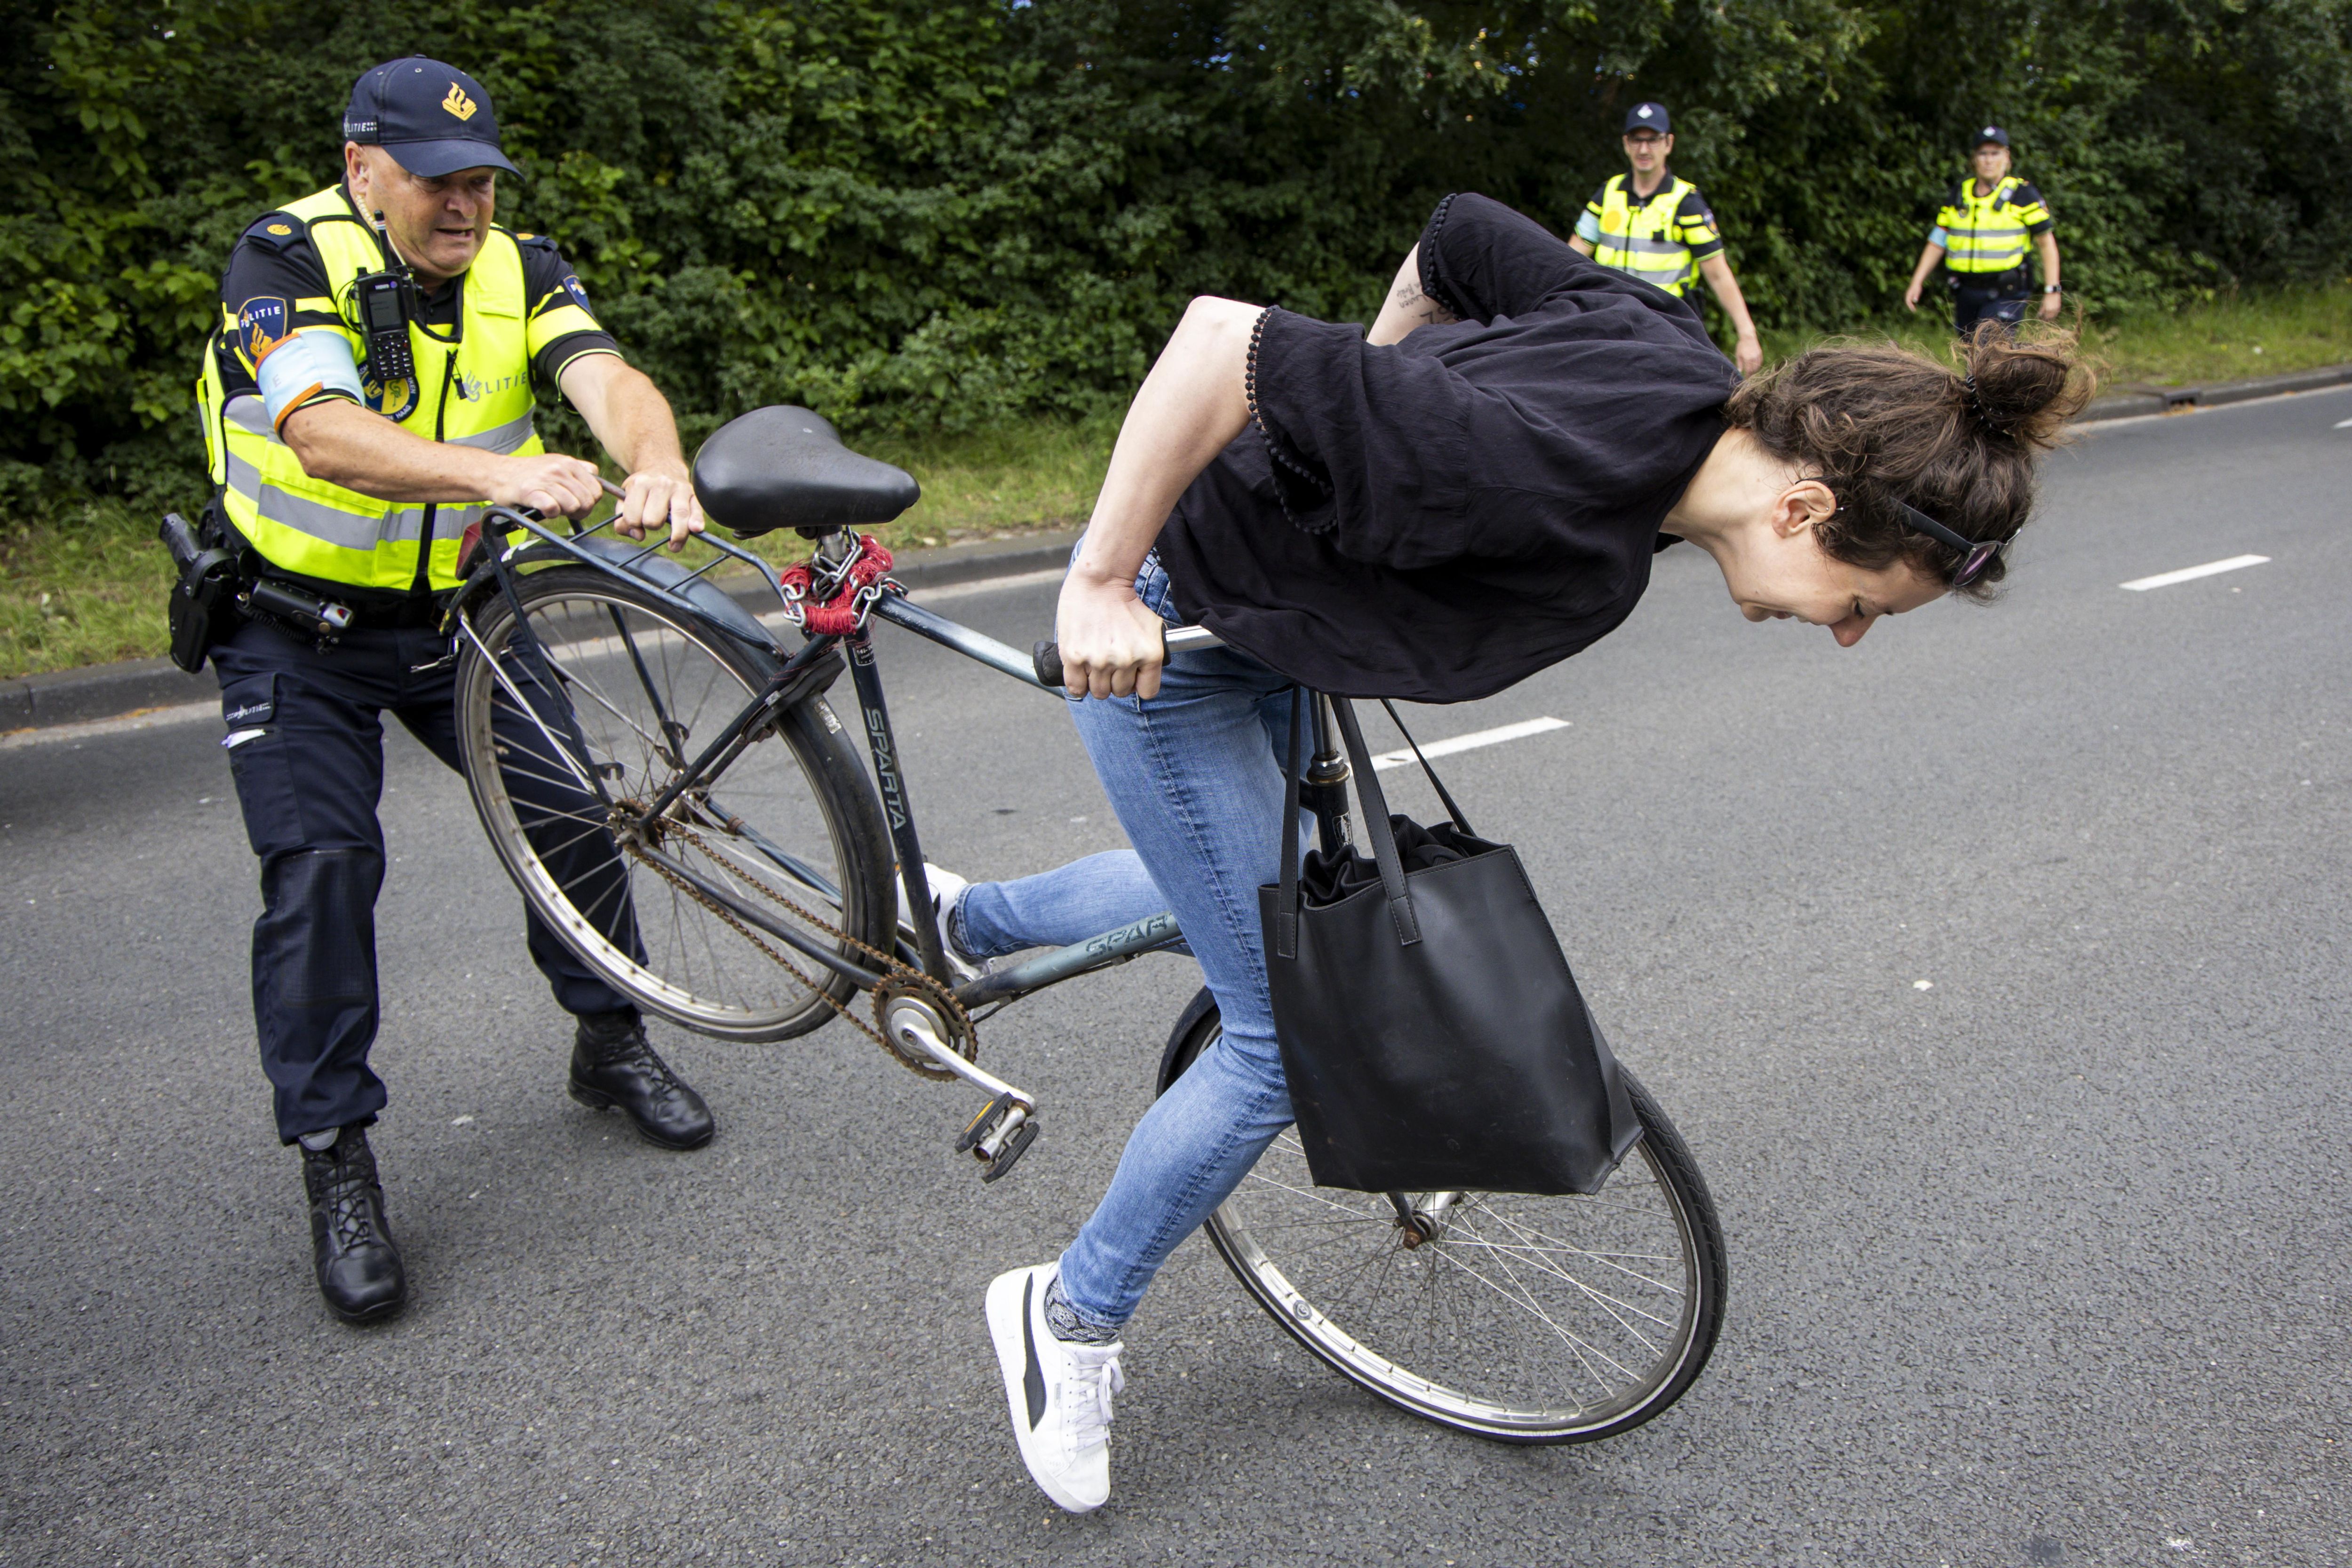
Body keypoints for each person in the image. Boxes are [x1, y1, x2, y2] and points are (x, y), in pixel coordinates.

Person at [935, 193, 2089, 1512]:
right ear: (1805, 507)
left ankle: (966, 927)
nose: (1845, 635)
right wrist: (1099, 580)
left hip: (1282, 624)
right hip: (1180, 639)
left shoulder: (1674, 364)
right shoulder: (1534, 469)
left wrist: (1345, 444)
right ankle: (1068, 1316)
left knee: (1271, 885)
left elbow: (1460, 235)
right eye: (1863, 603)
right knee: (1284, 1035)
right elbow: (1218, 341)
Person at [194, 58, 716, 1325]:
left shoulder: (517, 269)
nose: (464, 205)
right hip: (296, 628)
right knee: (324, 866)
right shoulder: (287, 258)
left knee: (574, 814)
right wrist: (499, 477)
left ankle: (610, 1039)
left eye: (480, 180)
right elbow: (320, 429)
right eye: (436, 181)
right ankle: (336, 1154)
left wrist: (656, 459)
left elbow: (606, 378)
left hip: (463, 617)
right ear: (363, 168)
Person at [1568, 101, 1764, 375]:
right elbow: (1571, 258)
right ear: (1626, 144)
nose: (1644, 149)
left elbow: (1718, 274)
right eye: (1637, 140)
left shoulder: (1686, 203)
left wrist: (1747, 334)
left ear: (1668, 144)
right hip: (1609, 324)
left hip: (1668, 330)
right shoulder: (1607, 194)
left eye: (1653, 140)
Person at [1903, 125, 2063, 334]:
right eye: (1983, 154)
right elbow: (1938, 241)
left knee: (1990, 348)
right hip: (1966, 292)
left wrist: (2052, 290)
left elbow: (2046, 244)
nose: (1989, 160)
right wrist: (1917, 282)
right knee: (1969, 349)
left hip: (2006, 292)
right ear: (1974, 159)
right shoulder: (1959, 194)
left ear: (2006, 157)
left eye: (1995, 154)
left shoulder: (2022, 194)